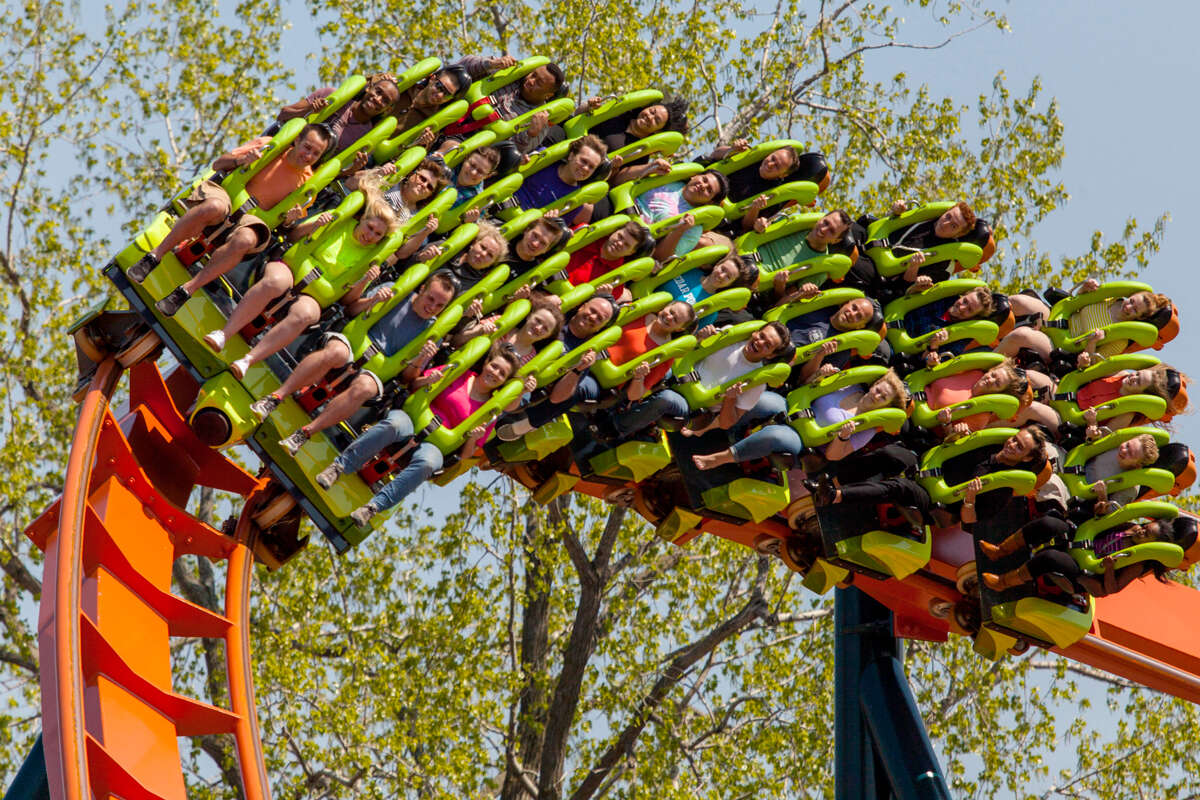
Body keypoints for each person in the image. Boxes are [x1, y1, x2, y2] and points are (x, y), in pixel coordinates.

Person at [128, 123, 335, 316]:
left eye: (316, 153)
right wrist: (240, 161)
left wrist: (289, 220)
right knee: (214, 207)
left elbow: (287, 229)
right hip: (228, 197)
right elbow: (218, 163)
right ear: (297, 140)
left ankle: (186, 291)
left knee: (246, 239)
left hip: (253, 220)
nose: (308, 156)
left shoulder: (308, 185)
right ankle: (153, 257)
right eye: (307, 147)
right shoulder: (269, 146)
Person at [202, 187, 411, 379]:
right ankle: (224, 333)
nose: (371, 236)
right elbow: (293, 235)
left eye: (378, 234)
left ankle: (248, 360)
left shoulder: (371, 258)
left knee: (306, 315)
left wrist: (366, 279)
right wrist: (316, 225)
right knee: (275, 282)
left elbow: (348, 301)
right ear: (362, 220)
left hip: (315, 295)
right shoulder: (340, 221)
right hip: (291, 270)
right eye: (370, 227)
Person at [315, 345, 534, 526]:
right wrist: (428, 381)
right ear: (486, 363)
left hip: (437, 445)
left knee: (428, 463)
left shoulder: (490, 410)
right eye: (494, 366)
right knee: (393, 424)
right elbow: (414, 384)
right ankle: (339, 467)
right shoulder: (458, 373)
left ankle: (372, 508)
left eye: (502, 374)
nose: (495, 373)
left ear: (504, 381)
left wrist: (473, 437)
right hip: (413, 419)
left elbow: (466, 455)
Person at [247, 271, 459, 446]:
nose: (432, 307)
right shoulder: (396, 290)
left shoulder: (433, 334)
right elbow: (351, 309)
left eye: (439, 305)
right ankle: (275, 397)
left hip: (377, 370)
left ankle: (305, 433)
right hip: (352, 344)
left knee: (365, 388)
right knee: (336, 352)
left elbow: (407, 379)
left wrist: (420, 359)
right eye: (431, 298)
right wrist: (373, 301)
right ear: (422, 289)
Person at [494, 294, 621, 440]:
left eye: (599, 318)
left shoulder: (585, 353)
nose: (593, 317)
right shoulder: (557, 316)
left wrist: (578, 370)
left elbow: (556, 398)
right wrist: (543, 301)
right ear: (582, 306)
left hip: (523, 383)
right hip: (504, 357)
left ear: (601, 327)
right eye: (592, 310)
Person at [982, 515, 1198, 594]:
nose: (1141, 532)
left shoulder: (1138, 563)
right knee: (1050, 523)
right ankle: (1001, 550)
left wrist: (1110, 568)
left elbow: (1111, 589)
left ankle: (1003, 582)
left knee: (1050, 559)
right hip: (1079, 541)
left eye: (1146, 535)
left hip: (1083, 572)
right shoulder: (1130, 526)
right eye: (1144, 528)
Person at [448, 55, 566, 153]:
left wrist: (530, 134)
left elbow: (514, 152)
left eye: (539, 83)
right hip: (455, 111)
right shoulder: (509, 73)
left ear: (548, 95)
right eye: (533, 75)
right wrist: (490, 64)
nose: (531, 81)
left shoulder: (540, 120)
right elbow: (461, 67)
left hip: (476, 146)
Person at [276, 74, 401, 157]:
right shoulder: (332, 96)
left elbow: (338, 172)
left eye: (385, 101)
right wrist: (309, 110)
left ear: (388, 110)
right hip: (284, 151)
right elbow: (283, 115)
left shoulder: (367, 136)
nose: (377, 99)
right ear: (369, 88)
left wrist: (353, 169)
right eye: (378, 92)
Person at [875, 200, 979, 287]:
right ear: (946, 212)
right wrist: (894, 212)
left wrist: (913, 267)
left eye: (953, 226)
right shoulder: (923, 216)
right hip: (872, 246)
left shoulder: (945, 262)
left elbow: (905, 291)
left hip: (882, 279)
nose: (945, 223)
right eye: (948, 217)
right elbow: (884, 225)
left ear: (959, 234)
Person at [513, 134, 613, 224]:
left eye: (591, 167)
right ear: (571, 156)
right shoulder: (545, 160)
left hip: (521, 225)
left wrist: (549, 223)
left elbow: (554, 232)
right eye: (583, 161)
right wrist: (518, 165)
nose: (586, 168)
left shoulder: (575, 200)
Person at [814, 368, 910, 461]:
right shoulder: (851, 385)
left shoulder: (868, 427)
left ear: (887, 405)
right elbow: (810, 386)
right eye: (878, 390)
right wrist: (820, 374)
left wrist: (843, 436)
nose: (877, 396)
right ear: (874, 385)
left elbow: (832, 456)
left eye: (883, 397)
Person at [633, 169, 730, 258]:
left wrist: (680, 230)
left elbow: (659, 257)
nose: (703, 186)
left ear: (710, 202)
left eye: (709, 190)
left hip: (634, 240)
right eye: (704, 180)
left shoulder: (694, 227)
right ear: (695, 176)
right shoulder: (668, 179)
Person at [1074, 363, 1188, 428]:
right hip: (1071, 389)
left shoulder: (1127, 413)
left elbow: (1099, 438)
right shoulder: (1120, 374)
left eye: (1138, 382)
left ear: (1142, 394)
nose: (1133, 377)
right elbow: (1090, 369)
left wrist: (1092, 421)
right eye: (1137, 374)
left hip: (1074, 419)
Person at [660, 253, 758, 327]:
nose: (721, 275)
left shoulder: (711, 309)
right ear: (717, 265)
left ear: (730, 284)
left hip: (663, 320)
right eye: (723, 269)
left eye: (728, 277)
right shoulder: (691, 269)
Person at [1081, 431, 1159, 508]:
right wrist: (1092, 435)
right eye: (1127, 445)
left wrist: (1102, 497)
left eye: (1130, 454)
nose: (1124, 450)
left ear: (1137, 465)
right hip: (1077, 465)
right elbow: (1092, 441)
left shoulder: (1131, 487)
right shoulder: (1115, 443)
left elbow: (1108, 514)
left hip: (1081, 496)